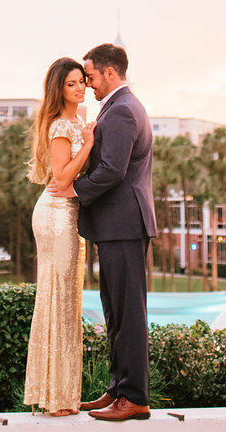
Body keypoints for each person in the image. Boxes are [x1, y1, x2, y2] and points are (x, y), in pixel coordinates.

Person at [49, 42, 155, 423]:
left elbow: (112, 169)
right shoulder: (117, 108)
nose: (89, 85)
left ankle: (135, 398)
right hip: (116, 226)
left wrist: (73, 189)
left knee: (129, 312)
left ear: (110, 73)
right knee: (115, 311)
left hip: (124, 225)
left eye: (91, 77)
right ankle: (118, 388)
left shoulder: (124, 111)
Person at [24, 57, 96, 416]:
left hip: (68, 215)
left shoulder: (76, 121)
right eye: (72, 83)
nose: (81, 87)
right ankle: (54, 397)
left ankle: (62, 396)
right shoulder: (59, 127)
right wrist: (88, 143)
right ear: (60, 90)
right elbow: (63, 177)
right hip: (55, 216)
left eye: (82, 80)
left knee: (68, 301)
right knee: (58, 299)